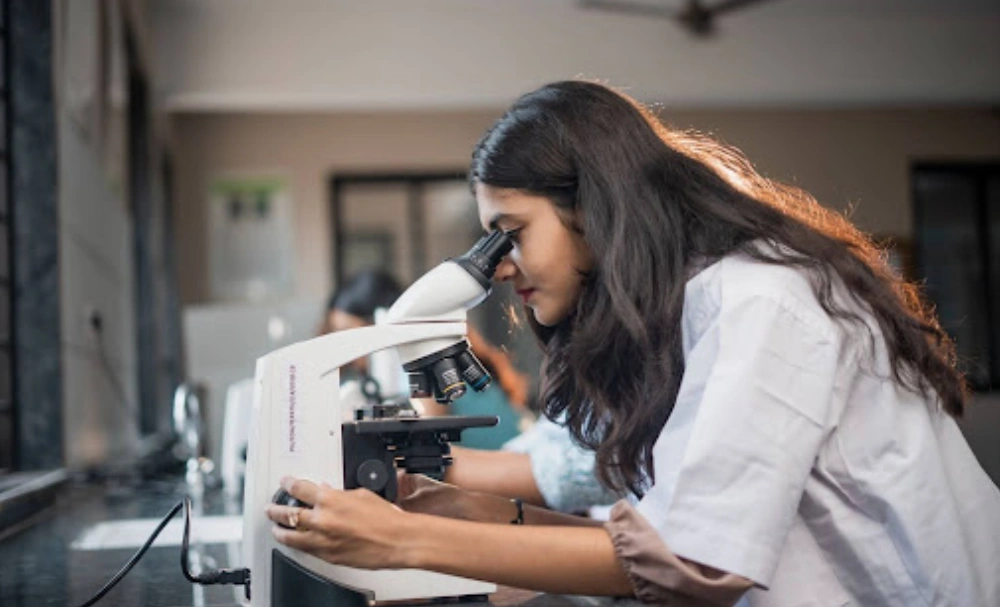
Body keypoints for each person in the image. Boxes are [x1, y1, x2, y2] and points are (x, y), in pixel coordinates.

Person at [267, 81, 1000, 605]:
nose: (501, 269)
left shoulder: (761, 298)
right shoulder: (685, 310)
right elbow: (657, 525)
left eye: (511, 235)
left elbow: (693, 559)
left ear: (593, 205)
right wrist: (473, 515)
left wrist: (402, 543)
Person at [323, 268, 529, 449]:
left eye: (348, 335)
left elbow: (421, 438)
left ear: (381, 323)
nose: (345, 350)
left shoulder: (424, 364)